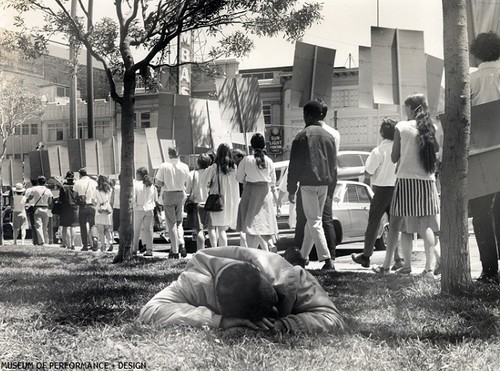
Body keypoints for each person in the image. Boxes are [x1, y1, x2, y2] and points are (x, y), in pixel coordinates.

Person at [139, 246, 344, 334]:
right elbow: (150, 310)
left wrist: (283, 325)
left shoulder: (290, 276)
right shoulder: (196, 281)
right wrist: (218, 321)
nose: (274, 311)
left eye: (274, 298)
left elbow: (333, 318)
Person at [373, 93, 440, 276]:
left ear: (411, 108)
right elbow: (436, 151)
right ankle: (428, 267)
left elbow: (394, 157)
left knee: (398, 226)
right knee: (426, 226)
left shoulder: (401, 127)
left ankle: (390, 266)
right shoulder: (431, 127)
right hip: (427, 181)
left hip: (405, 181)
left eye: (406, 107)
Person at [287, 100, 337, 270]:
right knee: (312, 222)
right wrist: (332, 186)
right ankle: (303, 257)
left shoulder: (302, 136)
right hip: (324, 183)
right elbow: (333, 164)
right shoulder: (329, 136)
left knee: (314, 221)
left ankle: (327, 260)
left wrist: (291, 189)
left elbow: (294, 165)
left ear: (306, 115)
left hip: (307, 183)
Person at [469, 32, 500, 284]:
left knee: (481, 211)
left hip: (481, 153)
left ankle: (489, 270)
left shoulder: (470, 81)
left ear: (475, 54)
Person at [351, 118, 404, 269]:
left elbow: (368, 172)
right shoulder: (399, 149)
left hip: (381, 189)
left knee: (374, 223)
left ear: (381, 132)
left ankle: (366, 256)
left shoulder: (378, 151)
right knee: (395, 225)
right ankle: (398, 258)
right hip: (396, 188)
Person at [236, 133, 279, 251]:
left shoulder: (246, 160)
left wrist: (246, 179)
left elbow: (239, 178)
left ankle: (252, 252)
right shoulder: (269, 161)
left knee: (250, 225)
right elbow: (273, 181)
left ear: (251, 145)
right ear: (264, 144)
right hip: (265, 193)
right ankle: (270, 245)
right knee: (264, 224)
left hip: (250, 191)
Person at [155, 148, 190, 259]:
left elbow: (159, 183)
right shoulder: (185, 166)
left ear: (169, 154)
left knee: (171, 223)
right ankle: (182, 243)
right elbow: (187, 181)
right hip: (180, 194)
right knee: (179, 222)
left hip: (169, 194)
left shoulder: (164, 166)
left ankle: (175, 250)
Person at [204, 143, 240, 248]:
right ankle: (223, 251)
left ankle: (221, 251)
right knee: (223, 229)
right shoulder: (234, 167)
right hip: (231, 201)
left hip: (219, 201)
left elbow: (205, 182)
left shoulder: (214, 167)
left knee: (220, 230)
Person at [184, 153, 214, 251]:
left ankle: (200, 251)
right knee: (211, 228)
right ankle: (215, 249)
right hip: (210, 203)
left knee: (199, 230)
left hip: (197, 203)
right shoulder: (212, 172)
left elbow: (188, 191)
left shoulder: (192, 174)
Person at [132, 167, 158, 257]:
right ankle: (149, 249)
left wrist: (134, 206)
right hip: (149, 208)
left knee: (136, 230)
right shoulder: (152, 185)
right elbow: (156, 198)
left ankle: (134, 249)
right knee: (149, 230)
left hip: (139, 208)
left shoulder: (136, 184)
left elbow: (133, 198)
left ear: (139, 175)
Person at [73, 168, 98, 251]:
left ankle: (85, 245)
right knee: (93, 225)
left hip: (83, 206)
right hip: (92, 206)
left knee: (83, 226)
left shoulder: (77, 182)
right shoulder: (94, 182)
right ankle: (94, 238)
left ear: (80, 174)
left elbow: (74, 195)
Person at [26, 176, 53, 246]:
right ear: (45, 182)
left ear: (38, 182)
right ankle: (45, 241)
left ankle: (41, 241)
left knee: (38, 226)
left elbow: (30, 198)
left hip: (37, 208)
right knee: (45, 226)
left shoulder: (34, 189)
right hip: (46, 208)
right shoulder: (48, 190)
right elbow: (50, 202)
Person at [58, 171, 79, 250]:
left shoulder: (63, 187)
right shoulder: (76, 186)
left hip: (65, 207)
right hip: (74, 207)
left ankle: (65, 243)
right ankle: (73, 243)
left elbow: (60, 199)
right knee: (73, 226)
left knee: (65, 226)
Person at [95, 175, 114, 253]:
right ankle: (110, 242)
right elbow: (111, 200)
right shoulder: (110, 189)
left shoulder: (97, 190)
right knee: (107, 229)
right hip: (108, 210)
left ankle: (103, 246)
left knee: (101, 231)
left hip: (99, 210)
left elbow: (93, 200)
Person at [23, 179, 39, 245]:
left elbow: (26, 199)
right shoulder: (43, 189)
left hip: (31, 208)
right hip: (41, 206)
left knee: (33, 225)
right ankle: (42, 240)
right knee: (41, 225)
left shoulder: (28, 190)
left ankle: (35, 240)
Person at [111, 177, 120, 241]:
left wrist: (111, 206)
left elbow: (112, 199)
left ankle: (120, 237)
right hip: (125, 208)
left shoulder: (115, 188)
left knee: (117, 224)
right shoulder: (128, 186)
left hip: (116, 207)